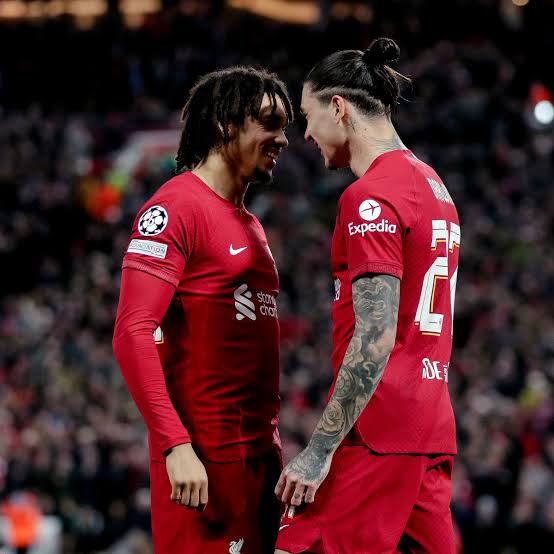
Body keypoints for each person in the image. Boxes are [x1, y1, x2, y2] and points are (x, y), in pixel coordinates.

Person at [274, 38, 460, 553]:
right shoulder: (434, 186)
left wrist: (319, 449)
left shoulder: (370, 197)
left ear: (338, 107)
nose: (305, 134)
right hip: (429, 426)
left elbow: (375, 337)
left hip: (376, 432)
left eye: (308, 116)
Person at [113, 66, 293, 553]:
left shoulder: (251, 225)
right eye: (269, 123)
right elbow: (132, 331)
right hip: (202, 465)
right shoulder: (176, 208)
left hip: (259, 462)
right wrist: (175, 445)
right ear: (223, 125)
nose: (282, 139)